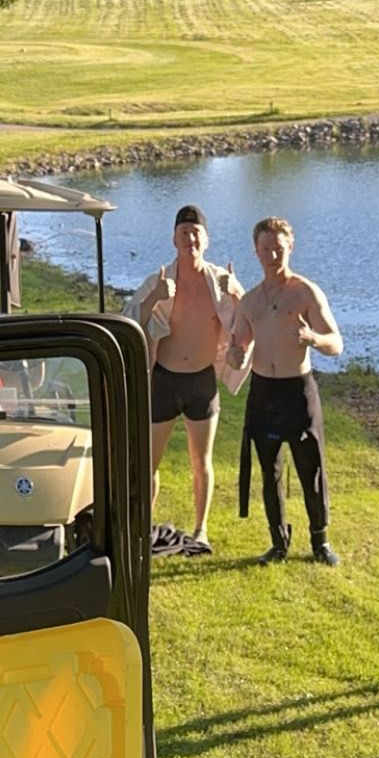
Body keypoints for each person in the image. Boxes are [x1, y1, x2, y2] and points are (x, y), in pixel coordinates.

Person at [228, 217, 343, 566]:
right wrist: (235, 354)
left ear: (290, 247)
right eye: (266, 249)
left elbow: (336, 343)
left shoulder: (306, 292)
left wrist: (313, 339)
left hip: (298, 390)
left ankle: (320, 541)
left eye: (278, 248)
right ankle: (278, 541)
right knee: (270, 469)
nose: (272, 255)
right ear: (256, 251)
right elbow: (237, 353)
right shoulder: (249, 302)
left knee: (312, 468)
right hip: (264, 393)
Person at [130, 205, 244, 552]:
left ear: (206, 240)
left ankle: (201, 530)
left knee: (201, 461)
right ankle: (142, 528)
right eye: (184, 233)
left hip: (201, 384)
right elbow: (131, 319)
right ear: (174, 239)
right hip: (164, 382)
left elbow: (247, 322)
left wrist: (238, 294)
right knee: (149, 462)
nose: (190, 239)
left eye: (196, 233)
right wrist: (155, 297)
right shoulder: (159, 280)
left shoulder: (219, 283)